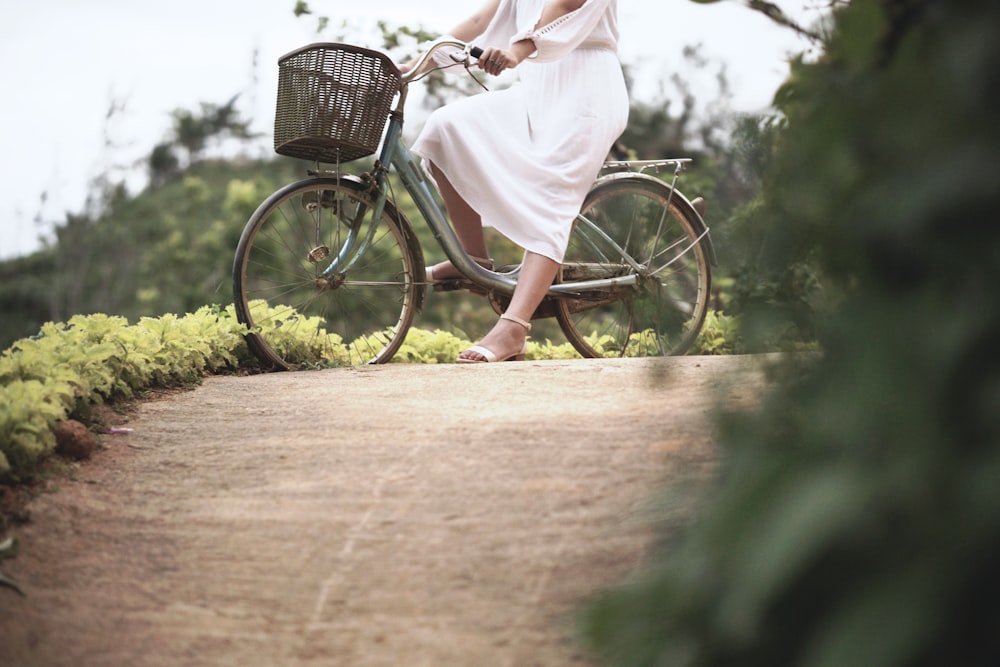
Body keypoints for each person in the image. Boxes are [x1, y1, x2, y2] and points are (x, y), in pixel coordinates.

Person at [401, 0, 629, 363]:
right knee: (445, 129)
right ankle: (475, 260)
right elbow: (480, 19)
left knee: (551, 198)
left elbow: (566, 4)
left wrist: (516, 50)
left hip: (587, 89)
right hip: (537, 89)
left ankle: (514, 327)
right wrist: (414, 67)